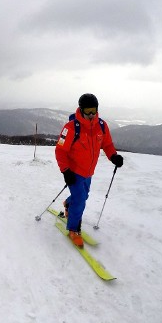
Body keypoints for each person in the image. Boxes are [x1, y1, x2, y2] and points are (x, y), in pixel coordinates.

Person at [55, 94, 123, 247]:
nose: (91, 115)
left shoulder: (101, 125)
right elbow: (60, 151)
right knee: (80, 200)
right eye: (88, 111)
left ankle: (68, 204)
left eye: (94, 110)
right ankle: (73, 229)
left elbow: (107, 144)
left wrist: (114, 156)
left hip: (88, 171)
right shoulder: (70, 128)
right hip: (73, 171)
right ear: (81, 109)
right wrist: (66, 171)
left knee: (83, 196)